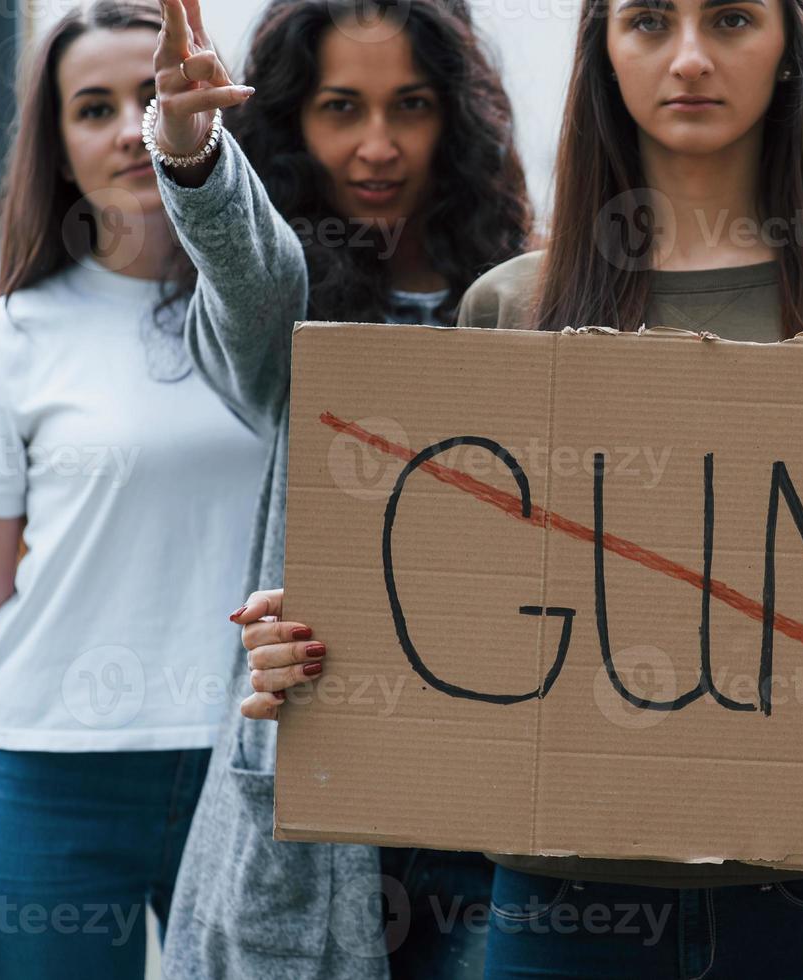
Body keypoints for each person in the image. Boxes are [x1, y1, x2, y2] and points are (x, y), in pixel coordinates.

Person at [243, 0, 803, 973]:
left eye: (732, 19)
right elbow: (459, 605)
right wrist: (324, 641)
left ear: (791, 50)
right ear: (603, 52)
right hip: (558, 905)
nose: (690, 57)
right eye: (649, 21)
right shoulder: (509, 306)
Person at [147, 0, 531, 977]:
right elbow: (249, 268)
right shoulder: (287, 320)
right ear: (288, 123)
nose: (377, 145)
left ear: (458, 115)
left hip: (504, 809)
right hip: (329, 810)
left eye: (409, 105)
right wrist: (195, 152)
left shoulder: (532, 296)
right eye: (338, 107)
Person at [0, 3, 265, 977]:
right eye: (93, 107)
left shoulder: (276, 312)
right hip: (49, 766)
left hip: (250, 754)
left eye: (152, 93)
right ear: (55, 142)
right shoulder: (1, 339)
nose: (131, 126)